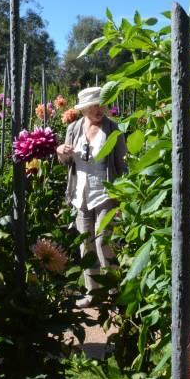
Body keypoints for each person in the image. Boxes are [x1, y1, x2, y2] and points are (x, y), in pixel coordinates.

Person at [56, 87, 128, 308]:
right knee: (85, 245)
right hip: (80, 194)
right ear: (84, 109)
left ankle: (116, 292)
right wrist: (62, 152)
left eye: (102, 105)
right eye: (94, 106)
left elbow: (123, 163)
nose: (99, 110)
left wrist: (124, 194)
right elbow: (66, 162)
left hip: (106, 192)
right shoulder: (73, 128)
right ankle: (93, 293)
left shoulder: (113, 129)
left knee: (104, 242)